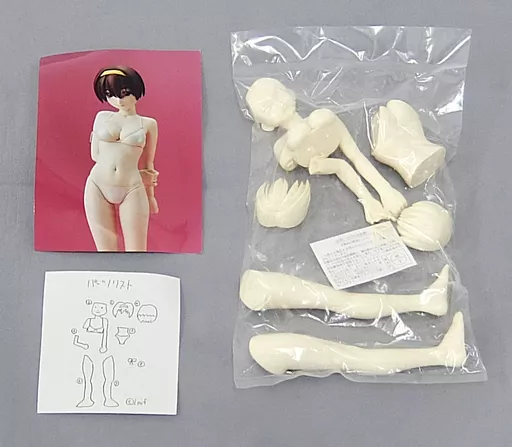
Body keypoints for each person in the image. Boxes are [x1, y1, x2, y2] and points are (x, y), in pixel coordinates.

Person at [84, 66, 159, 252]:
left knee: (137, 251)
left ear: (136, 89)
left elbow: (148, 163)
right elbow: (95, 155)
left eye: (124, 93)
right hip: (97, 185)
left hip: (132, 188)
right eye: (110, 94)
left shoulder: (148, 124)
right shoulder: (102, 117)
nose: (118, 100)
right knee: (104, 252)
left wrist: (150, 196)